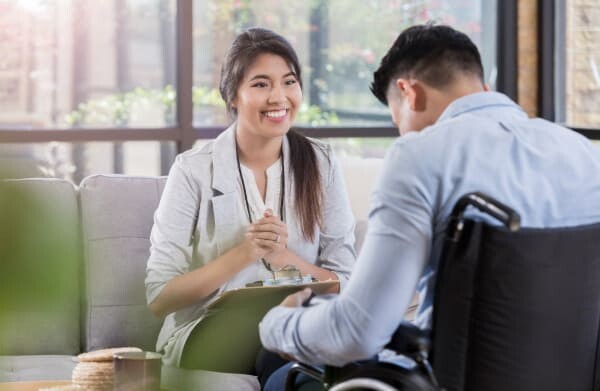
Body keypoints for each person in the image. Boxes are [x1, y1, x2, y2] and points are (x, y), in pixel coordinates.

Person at [259, 22, 600, 389]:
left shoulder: (421, 156)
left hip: (437, 381)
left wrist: (276, 325)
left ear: (410, 93)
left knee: (280, 376)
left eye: (398, 121)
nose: (402, 133)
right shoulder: (583, 154)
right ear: (481, 85)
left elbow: (358, 331)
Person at [145, 27, 356, 384]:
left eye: (289, 82)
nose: (279, 97)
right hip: (208, 331)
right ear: (233, 96)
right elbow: (159, 297)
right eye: (261, 85)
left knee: (299, 333)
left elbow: (344, 282)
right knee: (284, 333)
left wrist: (285, 259)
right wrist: (245, 253)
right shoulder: (193, 170)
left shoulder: (321, 163)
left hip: (297, 317)